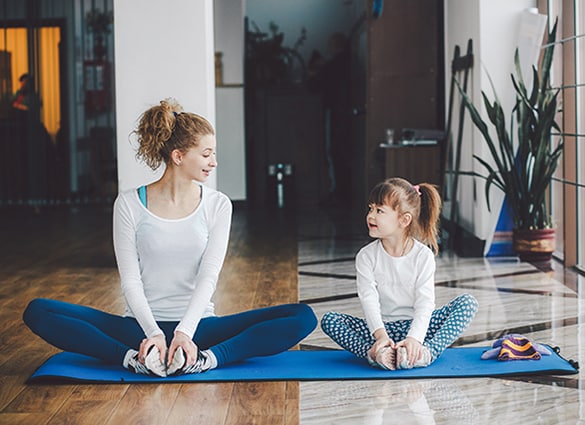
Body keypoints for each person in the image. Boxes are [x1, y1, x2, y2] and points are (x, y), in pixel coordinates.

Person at [23, 98, 317, 377]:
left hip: (199, 327)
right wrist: (152, 333)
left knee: (302, 316)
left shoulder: (218, 205)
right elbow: (130, 280)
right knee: (38, 311)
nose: (214, 162)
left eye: (213, 153)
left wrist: (184, 333)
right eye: (206, 154)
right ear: (178, 156)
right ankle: (134, 359)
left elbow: (208, 276)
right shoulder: (128, 203)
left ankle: (204, 360)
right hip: (137, 328)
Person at [321, 177, 478, 370]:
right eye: (370, 209)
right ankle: (377, 352)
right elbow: (368, 299)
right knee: (330, 320)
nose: (371, 216)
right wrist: (381, 337)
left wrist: (414, 338)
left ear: (404, 220)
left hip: (418, 328)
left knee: (467, 303)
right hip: (381, 329)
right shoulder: (366, 256)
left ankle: (424, 352)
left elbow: (425, 302)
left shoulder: (423, 256)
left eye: (379, 211)